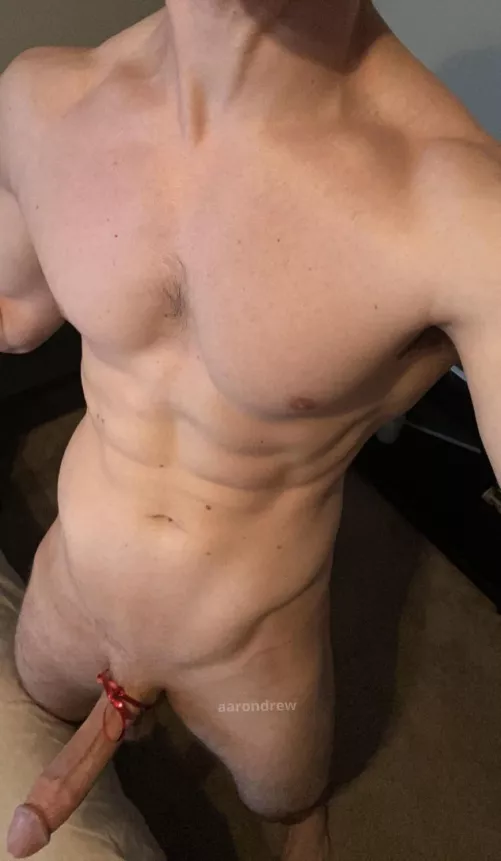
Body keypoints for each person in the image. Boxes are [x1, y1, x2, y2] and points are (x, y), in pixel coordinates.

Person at [0, 1, 499, 857]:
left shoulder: (464, 209)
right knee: (34, 706)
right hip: (69, 589)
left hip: (253, 660)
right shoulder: (40, 99)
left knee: (291, 803)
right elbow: (15, 318)